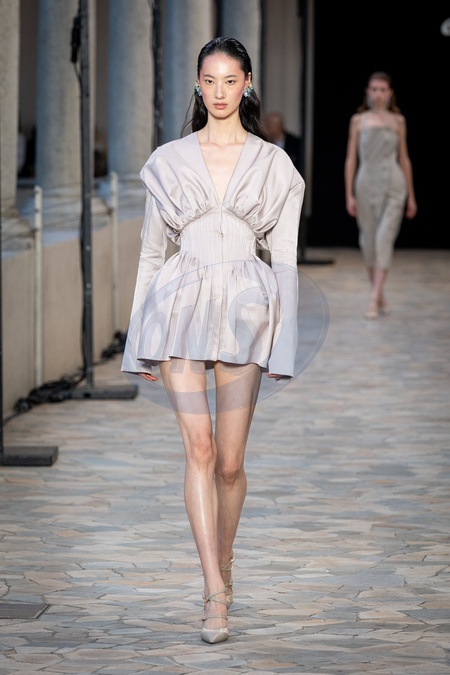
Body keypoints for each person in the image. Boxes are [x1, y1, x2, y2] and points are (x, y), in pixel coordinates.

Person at [121, 37, 305, 644]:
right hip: (179, 305)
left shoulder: (274, 165)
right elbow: (152, 254)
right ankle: (213, 591)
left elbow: (285, 260)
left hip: (247, 308)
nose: (220, 91)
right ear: (197, 86)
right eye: (210, 80)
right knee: (198, 450)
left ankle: (224, 563)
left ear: (247, 83)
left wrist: (284, 341)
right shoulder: (169, 161)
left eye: (230, 80)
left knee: (229, 462)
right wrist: (136, 341)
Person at [344, 71, 417, 319]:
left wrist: (411, 196)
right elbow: (351, 159)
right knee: (368, 242)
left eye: (382, 90)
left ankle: (373, 299)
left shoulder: (398, 121)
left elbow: (404, 158)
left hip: (394, 184)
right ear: (368, 91)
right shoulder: (358, 121)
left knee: (384, 239)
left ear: (390, 93)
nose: (378, 94)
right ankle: (380, 294)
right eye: (374, 89)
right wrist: (349, 194)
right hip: (366, 183)